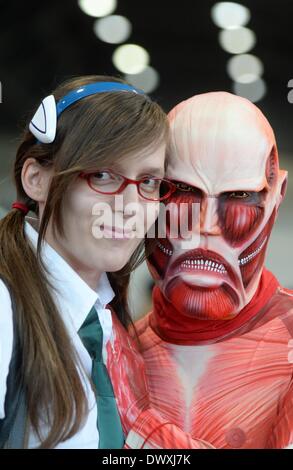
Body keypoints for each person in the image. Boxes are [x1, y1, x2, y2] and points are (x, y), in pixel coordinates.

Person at [0, 75, 212, 449]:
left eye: (148, 182)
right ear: (36, 179)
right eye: (102, 175)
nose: (130, 207)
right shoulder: (6, 306)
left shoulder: (106, 321)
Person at [135, 91, 293, 449]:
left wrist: (139, 426)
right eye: (181, 191)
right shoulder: (112, 348)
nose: (205, 224)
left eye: (237, 197)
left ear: (276, 196)